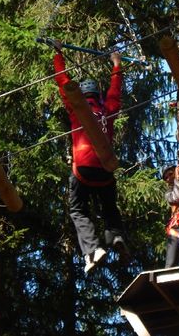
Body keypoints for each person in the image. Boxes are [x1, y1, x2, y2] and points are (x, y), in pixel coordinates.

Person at [53, 42, 129, 274]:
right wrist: (116, 65)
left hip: (84, 169)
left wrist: (58, 55)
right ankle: (115, 235)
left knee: (78, 210)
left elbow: (63, 82)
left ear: (82, 95)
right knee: (108, 206)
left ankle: (93, 250)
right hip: (105, 168)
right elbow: (115, 92)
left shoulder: (77, 108)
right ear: (97, 96)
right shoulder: (108, 110)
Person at [163, 163, 179, 268]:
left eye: (170, 174)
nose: (168, 178)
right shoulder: (168, 193)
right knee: (171, 262)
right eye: (165, 177)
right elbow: (176, 197)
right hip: (177, 225)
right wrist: (177, 180)